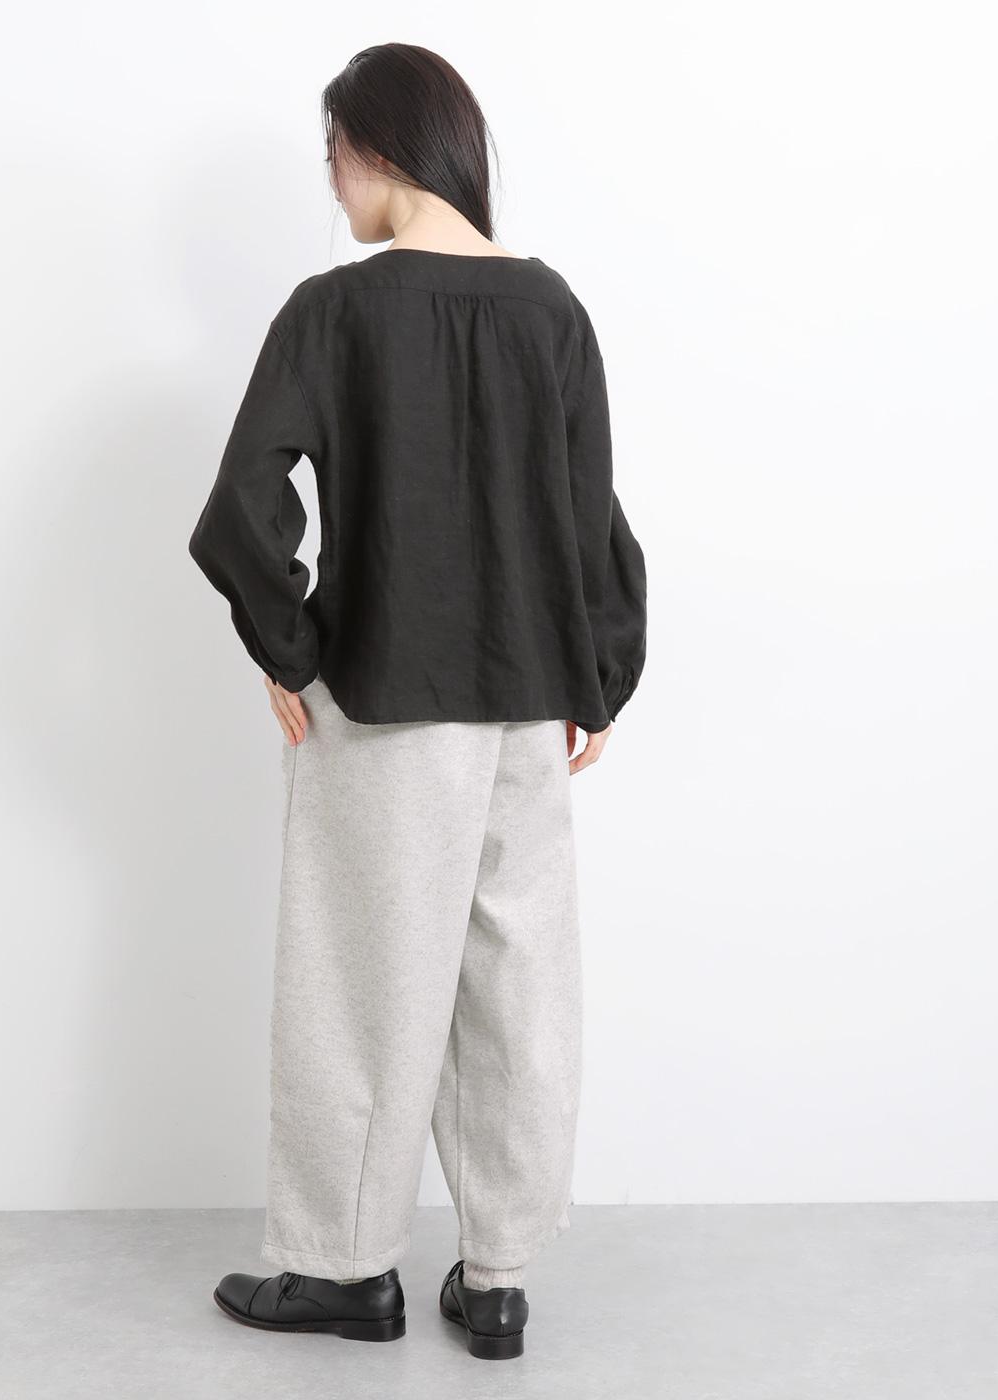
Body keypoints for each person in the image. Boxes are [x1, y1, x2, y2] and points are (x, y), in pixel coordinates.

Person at [188, 42, 647, 1362]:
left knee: (362, 990)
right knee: (518, 988)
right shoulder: (552, 309)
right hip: (528, 710)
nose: (332, 185)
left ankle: (345, 1273)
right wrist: (600, 672)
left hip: (386, 704)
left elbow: (243, 506)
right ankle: (498, 1279)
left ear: (378, 148)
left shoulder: (337, 311)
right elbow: (591, 511)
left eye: (333, 156)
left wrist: (292, 649)